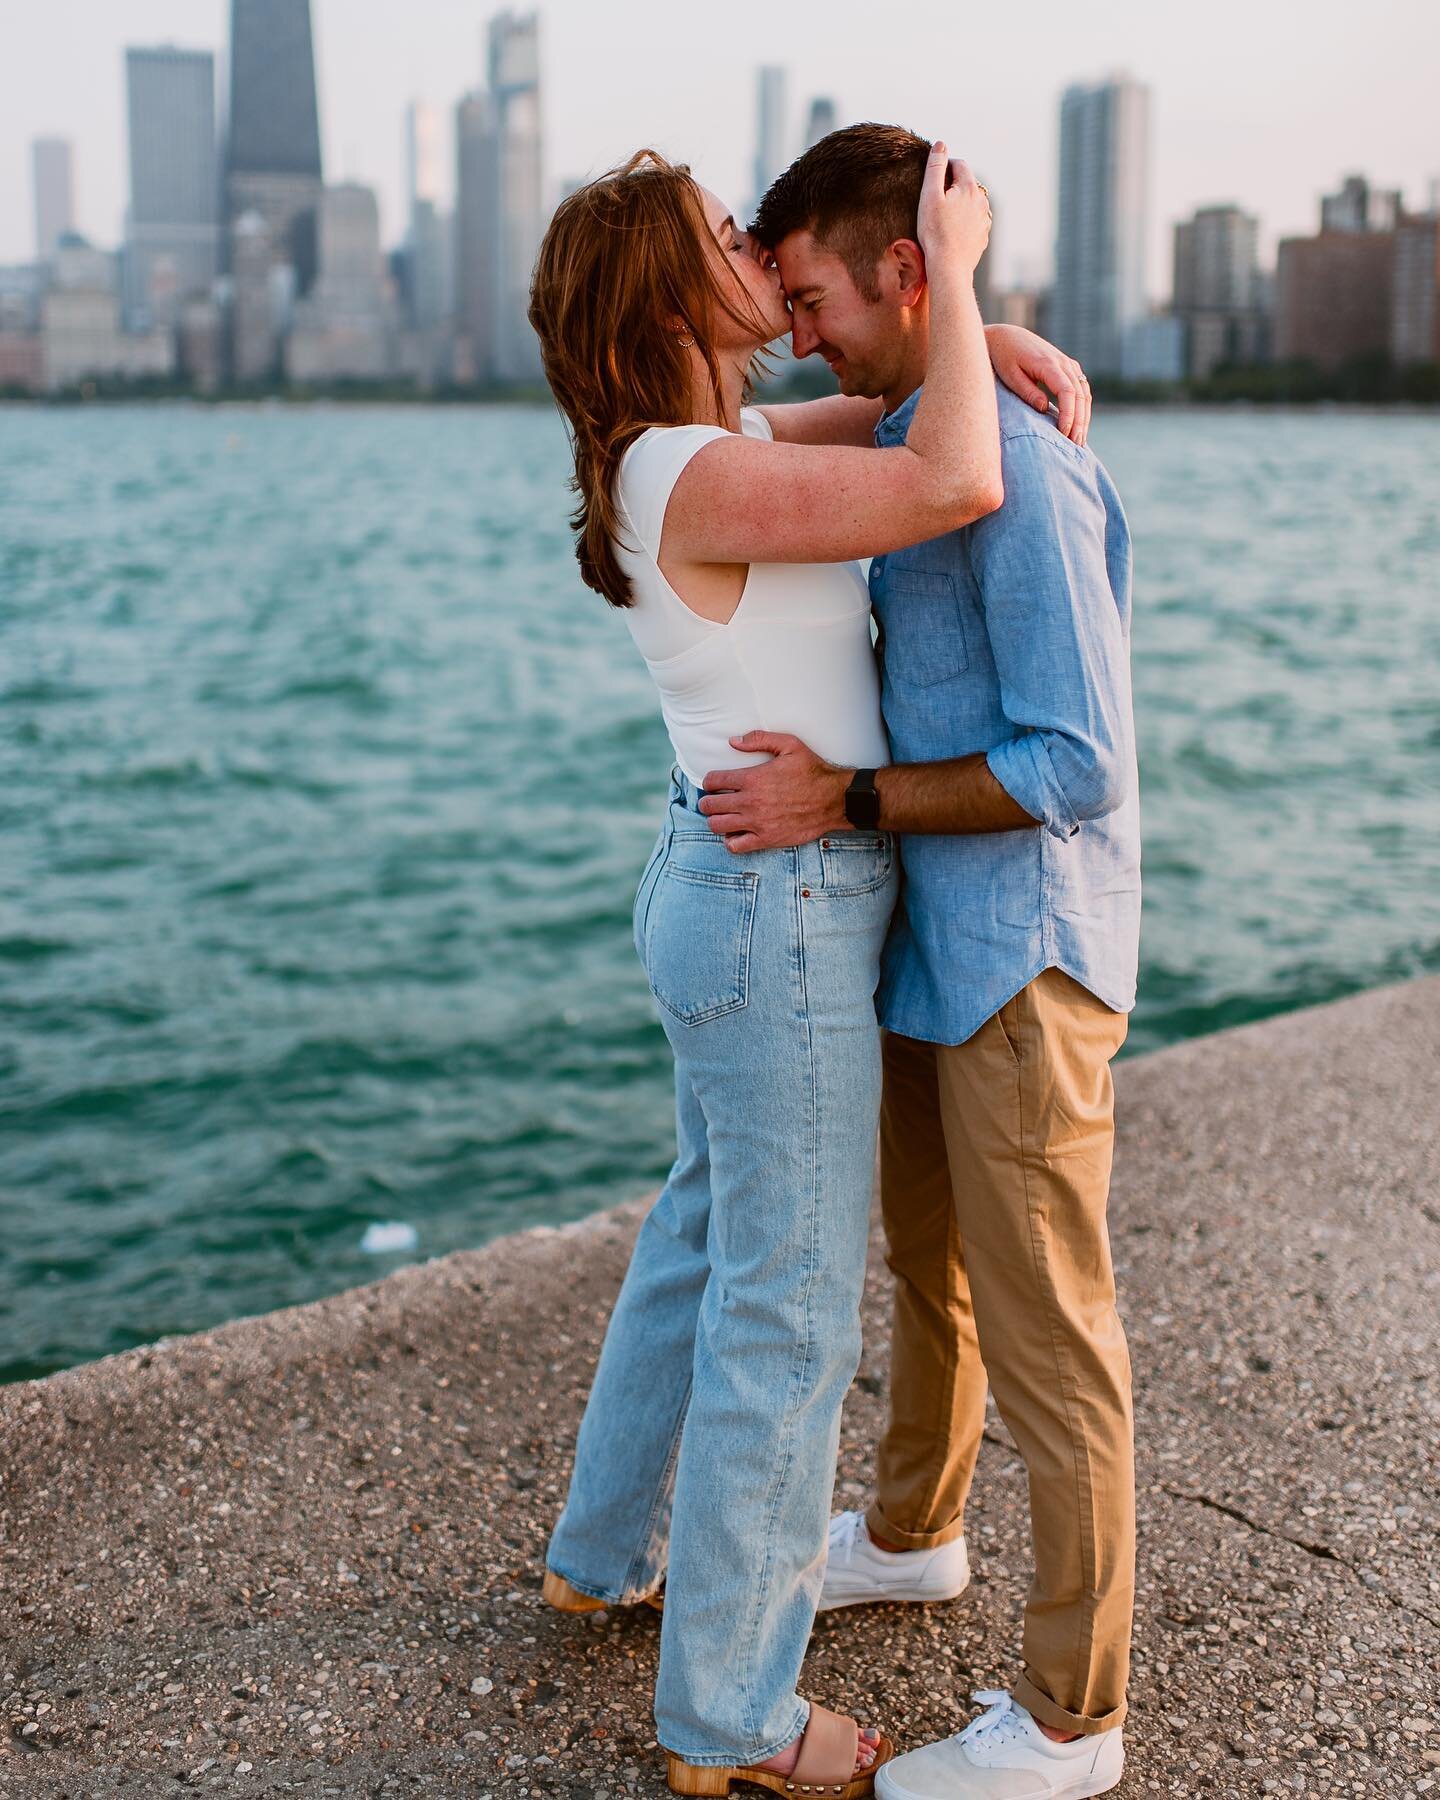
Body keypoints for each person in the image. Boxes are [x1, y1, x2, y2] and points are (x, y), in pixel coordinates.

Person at [526, 142, 1090, 1798]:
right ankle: (733, 1718)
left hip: (730, 890)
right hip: (780, 909)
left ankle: (600, 1550)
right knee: (782, 1313)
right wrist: (963, 273)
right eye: (723, 237)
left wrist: (1001, 343)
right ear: (665, 291)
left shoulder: (703, 450)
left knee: (709, 1233)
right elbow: (954, 483)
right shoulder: (693, 476)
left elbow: (915, 417)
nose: (762, 253)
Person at [696, 123, 1141, 1800]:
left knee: (1055, 1343)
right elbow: (723, 435)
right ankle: (914, 1530)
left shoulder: (1015, 461)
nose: (793, 324)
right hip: (927, 946)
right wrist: (971, 320)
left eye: (813, 292)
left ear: (903, 267)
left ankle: (1072, 1723)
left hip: (1021, 955)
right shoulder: (913, 421)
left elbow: (1071, 759)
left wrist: (850, 798)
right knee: (931, 1273)